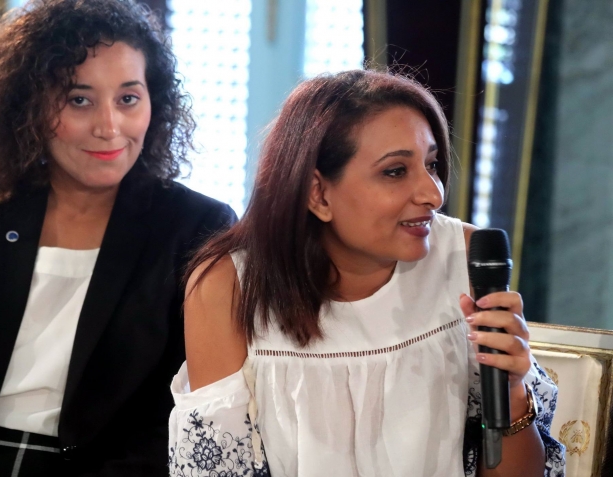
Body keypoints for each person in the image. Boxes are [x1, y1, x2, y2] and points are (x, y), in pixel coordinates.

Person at [168, 70, 566, 476]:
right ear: (318, 194)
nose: (433, 194)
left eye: (431, 164)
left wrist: (512, 394)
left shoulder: (462, 257)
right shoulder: (227, 286)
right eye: (395, 171)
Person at [0, 0, 236, 475]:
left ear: (154, 103)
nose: (109, 128)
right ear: (29, 107)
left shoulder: (196, 227)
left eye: (128, 99)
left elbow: (187, 411)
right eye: (79, 100)